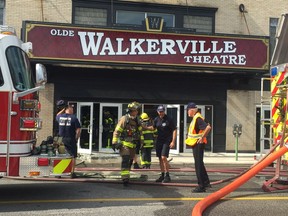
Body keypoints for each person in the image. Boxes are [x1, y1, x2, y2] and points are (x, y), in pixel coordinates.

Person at [112, 101, 143, 186]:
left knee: (130, 161)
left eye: (137, 110)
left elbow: (140, 132)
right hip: (124, 145)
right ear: (132, 110)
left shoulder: (137, 120)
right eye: (136, 110)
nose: (137, 111)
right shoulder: (124, 119)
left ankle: (127, 175)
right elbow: (117, 131)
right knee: (125, 160)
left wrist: (141, 142)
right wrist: (114, 142)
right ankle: (125, 179)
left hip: (133, 145)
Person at [185, 102, 211, 193]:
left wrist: (202, 137)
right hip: (196, 143)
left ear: (192, 110)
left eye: (188, 110)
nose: (187, 112)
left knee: (198, 165)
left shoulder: (198, 118)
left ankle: (201, 186)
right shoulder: (196, 117)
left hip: (198, 144)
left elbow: (208, 128)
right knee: (200, 163)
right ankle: (206, 182)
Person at [148, 105, 177, 183]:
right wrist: (144, 127)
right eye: (160, 111)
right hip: (159, 140)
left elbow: (174, 130)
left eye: (162, 111)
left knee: (164, 157)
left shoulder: (169, 119)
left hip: (167, 140)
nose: (161, 113)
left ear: (164, 111)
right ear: (157, 112)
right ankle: (162, 174)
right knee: (160, 158)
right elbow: (153, 128)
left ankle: (167, 175)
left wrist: (173, 141)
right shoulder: (156, 119)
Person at [56, 100, 81, 178]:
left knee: (60, 155)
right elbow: (78, 130)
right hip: (70, 138)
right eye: (72, 108)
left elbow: (57, 114)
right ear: (69, 109)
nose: (73, 110)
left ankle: (58, 173)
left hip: (60, 139)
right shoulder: (74, 118)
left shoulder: (59, 117)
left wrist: (63, 109)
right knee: (72, 156)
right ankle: (71, 173)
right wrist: (77, 138)